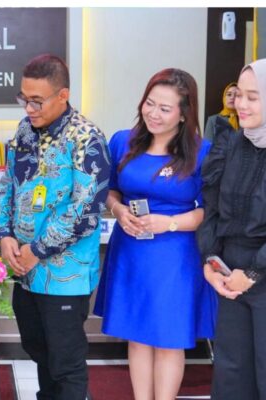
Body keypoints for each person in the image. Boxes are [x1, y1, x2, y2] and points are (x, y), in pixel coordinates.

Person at [93, 68, 217, 400]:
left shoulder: (202, 151)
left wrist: (169, 223)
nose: (154, 113)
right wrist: (118, 210)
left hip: (175, 255)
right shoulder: (123, 141)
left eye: (165, 108)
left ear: (183, 114)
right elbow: (110, 190)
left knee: (168, 338)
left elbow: (210, 211)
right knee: (137, 335)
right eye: (150, 103)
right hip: (130, 250)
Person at [0, 53, 110, 400]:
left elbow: (85, 210)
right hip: (26, 270)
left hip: (64, 275)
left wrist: (38, 250)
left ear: (63, 95)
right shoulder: (24, 131)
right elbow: (9, 185)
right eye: (24, 98)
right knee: (38, 349)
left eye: (37, 101)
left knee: (65, 362)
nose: (29, 108)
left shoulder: (87, 138)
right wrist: (4, 235)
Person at [197, 59, 266, 400]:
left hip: (260, 270)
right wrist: (211, 259)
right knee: (231, 372)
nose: (241, 104)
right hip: (230, 275)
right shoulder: (230, 144)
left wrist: (253, 272)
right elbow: (211, 206)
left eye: (254, 97)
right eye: (239, 94)